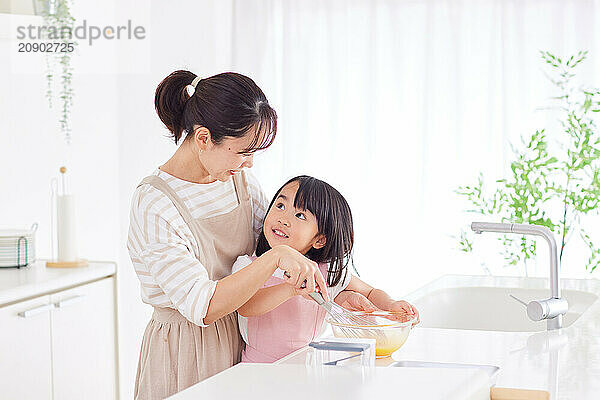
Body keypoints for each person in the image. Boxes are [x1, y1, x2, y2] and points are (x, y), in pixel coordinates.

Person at [127, 70, 332, 400]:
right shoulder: (154, 203)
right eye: (243, 151)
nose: (249, 164)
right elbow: (203, 307)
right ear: (204, 139)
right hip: (186, 350)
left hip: (242, 343)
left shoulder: (241, 183)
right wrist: (278, 258)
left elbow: (278, 245)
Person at [231, 175, 421, 363]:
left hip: (310, 366)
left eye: (300, 215)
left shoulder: (325, 271)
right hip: (259, 369)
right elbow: (246, 306)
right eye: (281, 206)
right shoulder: (249, 266)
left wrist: (390, 306)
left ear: (320, 239)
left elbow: (369, 292)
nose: (283, 219)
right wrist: (291, 289)